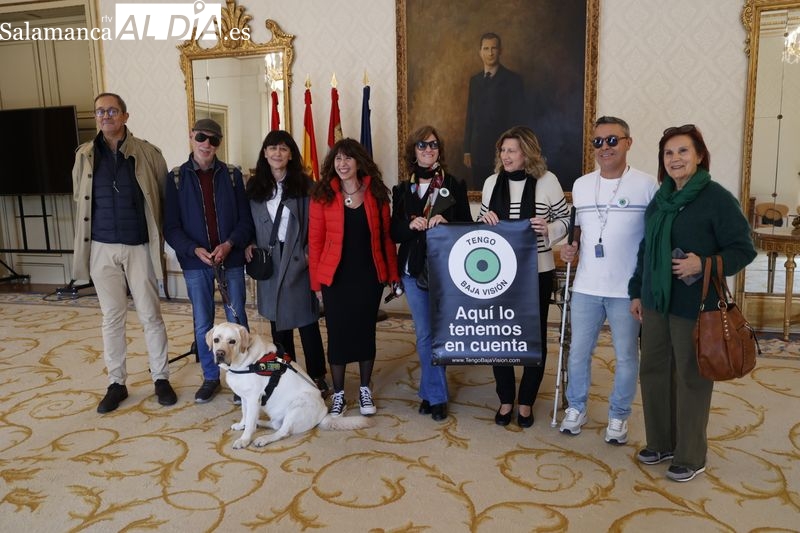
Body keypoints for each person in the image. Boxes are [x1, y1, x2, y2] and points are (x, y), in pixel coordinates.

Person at [629, 124, 756, 482]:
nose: (675, 159)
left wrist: (704, 263)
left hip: (695, 305)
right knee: (653, 371)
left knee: (691, 377)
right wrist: (636, 291)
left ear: (699, 155)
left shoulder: (716, 198)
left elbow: (743, 249)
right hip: (655, 302)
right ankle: (662, 442)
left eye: (683, 151)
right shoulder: (661, 199)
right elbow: (645, 250)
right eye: (668, 153)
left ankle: (690, 454)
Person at [72, 92, 177, 414]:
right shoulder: (85, 155)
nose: (105, 116)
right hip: (101, 248)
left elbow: (162, 199)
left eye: (112, 111)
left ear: (125, 116)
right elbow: (80, 200)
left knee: (150, 316)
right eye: (100, 111)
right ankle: (116, 383)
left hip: (139, 247)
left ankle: (161, 378)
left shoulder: (147, 153)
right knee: (112, 318)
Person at [558, 116, 658, 443]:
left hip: (626, 290)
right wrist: (570, 247)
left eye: (612, 140)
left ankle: (618, 416)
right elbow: (578, 229)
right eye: (598, 142)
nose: (604, 148)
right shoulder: (582, 184)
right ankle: (576, 407)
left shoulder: (646, 185)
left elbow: (654, 238)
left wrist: (644, 288)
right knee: (577, 352)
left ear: (628, 142)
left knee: (626, 355)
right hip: (586, 285)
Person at [478, 125, 569, 428]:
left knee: (534, 337)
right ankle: (506, 398)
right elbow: (481, 224)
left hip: (537, 272)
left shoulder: (547, 181)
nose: (505, 155)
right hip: (498, 275)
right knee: (499, 337)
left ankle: (526, 401)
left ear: (527, 152)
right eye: (502, 150)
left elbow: (566, 219)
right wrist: (486, 219)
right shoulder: (492, 182)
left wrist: (551, 229)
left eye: (512, 150)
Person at [163, 118, 254, 404]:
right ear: (191, 137)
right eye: (202, 137)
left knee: (236, 318)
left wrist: (229, 244)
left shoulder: (232, 175)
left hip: (231, 258)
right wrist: (194, 250)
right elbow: (171, 227)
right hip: (196, 263)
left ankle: (242, 374)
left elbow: (245, 220)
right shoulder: (175, 178)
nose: (207, 144)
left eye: (214, 140)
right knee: (203, 323)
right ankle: (211, 377)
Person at [309, 138, 399, 417]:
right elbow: (315, 243)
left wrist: (392, 274)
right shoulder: (322, 195)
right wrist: (316, 284)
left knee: (364, 332)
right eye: (338, 159)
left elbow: (386, 239)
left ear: (359, 162)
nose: (342, 164)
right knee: (337, 334)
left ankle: (363, 389)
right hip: (334, 277)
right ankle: (338, 394)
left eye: (348, 158)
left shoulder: (377, 194)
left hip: (369, 277)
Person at [390, 126, 472, 422]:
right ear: (413, 151)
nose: (428, 150)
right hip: (413, 269)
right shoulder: (402, 190)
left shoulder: (454, 184)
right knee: (425, 333)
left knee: (439, 333)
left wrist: (446, 220)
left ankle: (429, 392)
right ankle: (436, 395)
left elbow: (467, 227)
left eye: (433, 145)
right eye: (422, 145)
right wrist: (410, 226)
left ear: (440, 149)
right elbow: (392, 230)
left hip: (444, 271)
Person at [245, 130, 329, 396]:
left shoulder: (306, 186)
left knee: (307, 321)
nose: (277, 153)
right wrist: (248, 242)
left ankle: (318, 376)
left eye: (283, 148)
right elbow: (247, 220)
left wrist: (308, 254)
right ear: (265, 153)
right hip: (270, 258)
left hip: (298, 258)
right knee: (278, 323)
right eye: (272, 148)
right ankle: (287, 374)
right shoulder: (254, 186)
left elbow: (318, 224)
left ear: (291, 154)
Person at [463, 32, 524, 190]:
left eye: (494, 48)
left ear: (500, 51)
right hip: (478, 151)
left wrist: (512, 150)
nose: (490, 52)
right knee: (481, 191)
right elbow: (470, 116)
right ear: (480, 52)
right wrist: (467, 150)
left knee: (504, 192)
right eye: (486, 48)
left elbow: (517, 120)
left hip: (503, 152)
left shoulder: (513, 80)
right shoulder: (475, 81)